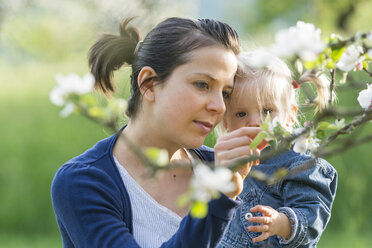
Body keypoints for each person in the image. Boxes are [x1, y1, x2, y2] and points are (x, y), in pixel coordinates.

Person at [51, 17, 261, 248]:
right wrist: (219, 198)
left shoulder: (227, 170)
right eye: (203, 85)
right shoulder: (84, 182)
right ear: (149, 84)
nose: (219, 106)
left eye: (226, 93)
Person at [217, 51, 338, 247]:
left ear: (290, 115)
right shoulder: (227, 161)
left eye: (267, 111)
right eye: (241, 113)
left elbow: (311, 217)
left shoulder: (301, 165)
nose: (256, 122)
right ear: (226, 122)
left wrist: (280, 223)